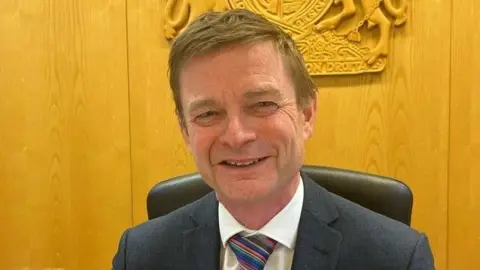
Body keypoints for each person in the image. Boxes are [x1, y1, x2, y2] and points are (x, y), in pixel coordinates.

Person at [112, 9, 435, 270]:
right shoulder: (139, 256)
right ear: (185, 130)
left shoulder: (396, 258)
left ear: (306, 114)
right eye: (208, 113)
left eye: (263, 104)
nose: (237, 136)